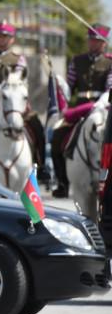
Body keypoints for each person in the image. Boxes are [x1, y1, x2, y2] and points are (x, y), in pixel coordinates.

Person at [0, 21, 48, 179]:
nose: (2, 39)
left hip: (14, 102)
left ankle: (41, 166)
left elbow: (21, 80)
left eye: (6, 36)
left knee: (37, 126)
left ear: (12, 39)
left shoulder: (18, 59)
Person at [52, 23, 112, 197]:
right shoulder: (77, 61)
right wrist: (61, 86)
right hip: (79, 109)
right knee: (56, 136)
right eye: (91, 40)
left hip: (102, 108)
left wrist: (98, 105)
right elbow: (69, 88)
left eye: (97, 41)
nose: (93, 43)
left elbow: (110, 88)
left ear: (104, 42)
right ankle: (62, 182)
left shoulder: (110, 62)